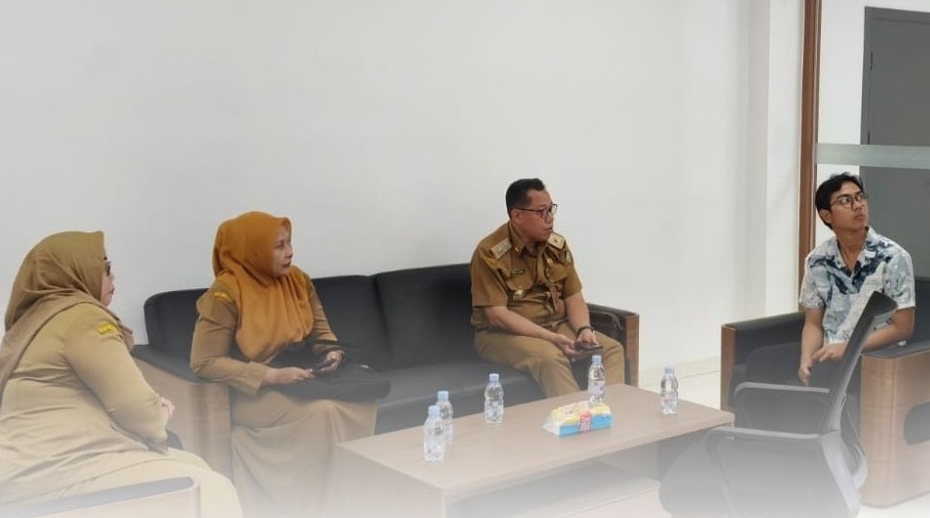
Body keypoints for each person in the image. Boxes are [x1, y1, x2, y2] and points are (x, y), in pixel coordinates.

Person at [0, 231, 241, 518]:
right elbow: (136, 407)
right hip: (65, 469)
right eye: (105, 267)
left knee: (194, 466)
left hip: (24, 473)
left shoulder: (30, 324)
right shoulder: (82, 317)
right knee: (214, 489)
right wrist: (158, 414)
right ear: (77, 270)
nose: (112, 276)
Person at [190, 211, 377, 518]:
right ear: (253, 250)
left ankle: (343, 499)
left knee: (362, 401)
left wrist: (333, 354)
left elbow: (322, 333)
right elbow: (204, 362)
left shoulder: (298, 280)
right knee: (323, 412)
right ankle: (307, 507)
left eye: (289, 243)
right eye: (279, 246)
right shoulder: (224, 294)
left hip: (300, 378)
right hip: (252, 392)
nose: (290, 252)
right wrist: (271, 376)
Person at [738, 172, 915, 395]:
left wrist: (846, 348)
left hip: (875, 355)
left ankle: (814, 419)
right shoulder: (817, 260)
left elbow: (902, 328)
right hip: (829, 349)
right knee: (761, 360)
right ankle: (766, 419)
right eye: (846, 200)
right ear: (826, 215)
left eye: (860, 197)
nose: (858, 205)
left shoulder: (894, 257)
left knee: (825, 371)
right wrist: (806, 358)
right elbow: (813, 323)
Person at [470, 178, 625, 397]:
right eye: (542, 212)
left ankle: (609, 411)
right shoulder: (490, 253)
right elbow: (498, 316)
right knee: (551, 357)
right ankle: (577, 414)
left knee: (611, 349)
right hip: (502, 335)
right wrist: (551, 338)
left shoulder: (556, 246)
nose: (550, 218)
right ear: (517, 216)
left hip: (555, 325)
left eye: (551, 210)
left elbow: (573, 296)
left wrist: (583, 329)